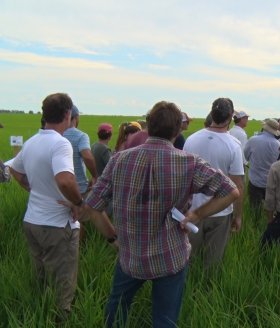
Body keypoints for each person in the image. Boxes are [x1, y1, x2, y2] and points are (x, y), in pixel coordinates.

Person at [84, 100, 239, 327]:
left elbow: (93, 207)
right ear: (177, 130)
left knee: (116, 311)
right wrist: (197, 214)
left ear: (148, 125)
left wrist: (112, 237)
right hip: (171, 256)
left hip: (130, 254)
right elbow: (231, 191)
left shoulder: (119, 159)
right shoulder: (189, 162)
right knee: (165, 319)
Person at [9, 93, 115, 321]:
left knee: (41, 277)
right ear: (68, 115)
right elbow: (66, 180)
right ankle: (60, 320)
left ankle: (40, 315)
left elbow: (15, 171)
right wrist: (78, 203)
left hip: (33, 221)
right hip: (57, 224)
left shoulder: (32, 142)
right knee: (63, 281)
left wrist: (35, 189)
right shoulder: (60, 143)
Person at [184, 98, 244, 269]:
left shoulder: (191, 140)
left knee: (189, 258)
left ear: (211, 113)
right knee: (213, 261)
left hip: (192, 209)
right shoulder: (234, 145)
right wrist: (239, 216)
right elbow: (238, 185)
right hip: (221, 211)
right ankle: (208, 289)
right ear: (231, 116)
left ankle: (188, 288)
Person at [243, 119, 280, 209]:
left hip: (255, 180)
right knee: (269, 208)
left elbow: (246, 156)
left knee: (255, 208)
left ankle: (255, 222)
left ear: (264, 128)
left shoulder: (253, 140)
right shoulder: (277, 143)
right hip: (270, 181)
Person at [63, 105, 98, 195]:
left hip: (58, 188)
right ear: (76, 117)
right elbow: (87, 156)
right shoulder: (81, 136)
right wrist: (94, 176)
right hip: (78, 187)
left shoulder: (57, 134)